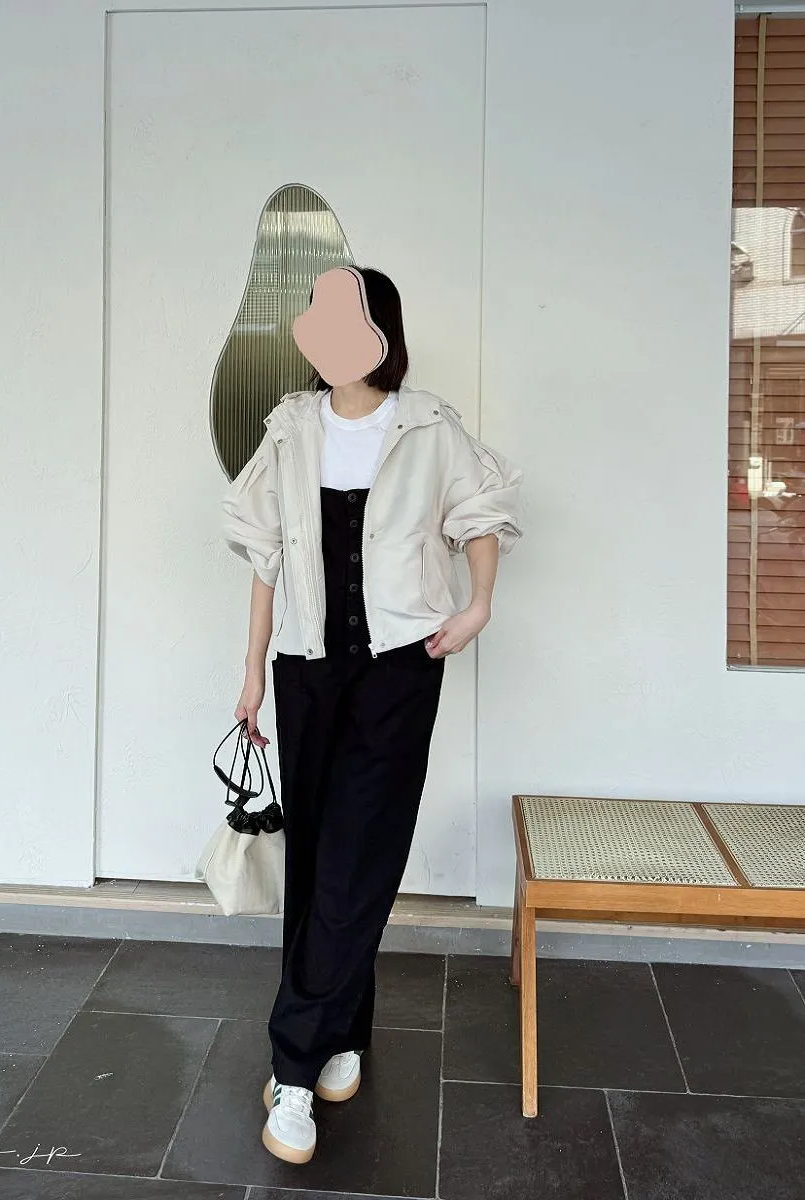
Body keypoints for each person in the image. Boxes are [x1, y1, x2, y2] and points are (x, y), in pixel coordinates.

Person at [220, 267, 522, 1165]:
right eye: (314, 318)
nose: (320, 333)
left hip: (399, 668)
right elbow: (265, 556)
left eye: (339, 316)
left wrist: (477, 605)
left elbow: (480, 514)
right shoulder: (289, 427)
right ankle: (341, 1031)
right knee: (319, 854)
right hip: (305, 667)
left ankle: (292, 1067)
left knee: (362, 854)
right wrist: (251, 670)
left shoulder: (426, 424)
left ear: (380, 330)